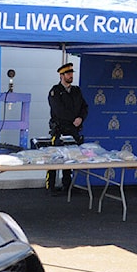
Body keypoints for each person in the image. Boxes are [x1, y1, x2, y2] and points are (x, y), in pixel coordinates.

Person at [46, 62, 87, 195]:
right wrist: (73, 119)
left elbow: (84, 106)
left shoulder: (76, 90)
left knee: (70, 157)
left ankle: (67, 185)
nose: (71, 76)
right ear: (61, 75)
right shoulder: (55, 91)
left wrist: (80, 117)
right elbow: (59, 110)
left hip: (73, 129)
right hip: (60, 129)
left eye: (71, 74)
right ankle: (51, 185)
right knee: (55, 158)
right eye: (68, 74)